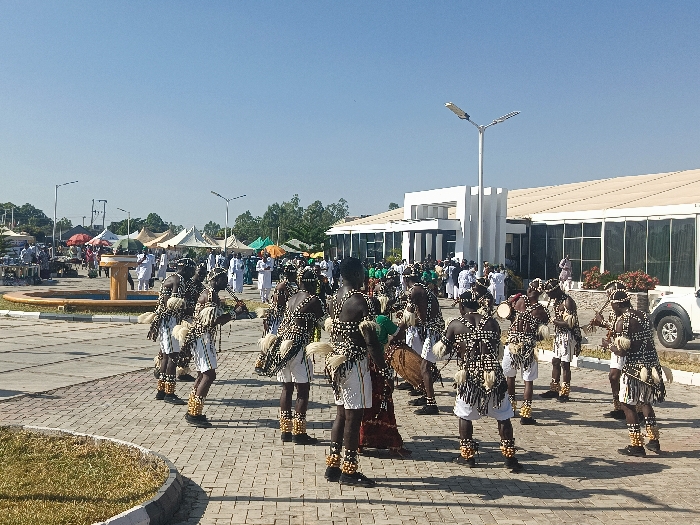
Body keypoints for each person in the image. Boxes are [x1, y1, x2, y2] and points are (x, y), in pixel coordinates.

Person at [313, 257, 391, 487]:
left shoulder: (333, 298)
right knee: (353, 416)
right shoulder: (361, 301)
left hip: (336, 363)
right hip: (354, 363)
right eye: (363, 272)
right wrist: (384, 370)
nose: (365, 276)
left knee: (341, 414)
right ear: (357, 274)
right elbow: (371, 341)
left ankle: (333, 466)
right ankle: (349, 470)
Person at [434, 286, 523, 472]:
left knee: (465, 415)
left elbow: (442, 350)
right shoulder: (492, 323)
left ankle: (467, 456)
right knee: (503, 416)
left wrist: (459, 346)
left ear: (462, 306)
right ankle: (509, 457)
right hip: (494, 377)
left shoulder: (455, 324)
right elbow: (496, 349)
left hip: (470, 377)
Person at [259, 266, 328, 444]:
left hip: (282, 347)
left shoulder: (292, 299)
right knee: (303, 390)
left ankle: (285, 431)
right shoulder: (314, 300)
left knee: (286, 388)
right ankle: (299, 432)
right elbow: (325, 324)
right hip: (298, 348)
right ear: (313, 283)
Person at [603, 289, 665, 456]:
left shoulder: (623, 321)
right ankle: (654, 441)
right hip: (650, 366)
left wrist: (608, 346)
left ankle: (636, 445)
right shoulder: (644, 316)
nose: (611, 308)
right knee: (645, 402)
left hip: (633, 369)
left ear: (618, 304)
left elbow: (622, 352)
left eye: (612, 304)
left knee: (627, 405)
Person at [180, 267, 234, 428]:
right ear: (215, 280)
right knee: (209, 375)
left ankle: (193, 409)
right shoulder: (210, 295)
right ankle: (194, 414)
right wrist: (235, 313)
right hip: (202, 338)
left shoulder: (210, 293)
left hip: (201, 338)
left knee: (202, 374)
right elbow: (213, 321)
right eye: (223, 279)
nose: (226, 282)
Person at [140, 257, 198, 404]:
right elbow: (172, 303)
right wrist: (191, 310)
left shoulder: (176, 278)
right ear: (185, 269)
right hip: (169, 322)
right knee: (173, 356)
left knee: (167, 356)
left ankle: (161, 390)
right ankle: (169, 393)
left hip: (166, 322)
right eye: (192, 270)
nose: (193, 274)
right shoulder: (178, 280)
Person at [358, 308, 411, 457]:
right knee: (384, 404)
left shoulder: (355, 321)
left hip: (360, 367)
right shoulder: (381, 319)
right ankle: (393, 444)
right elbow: (398, 335)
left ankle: (359, 442)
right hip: (377, 366)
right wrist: (404, 323)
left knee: (362, 406)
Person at [502, 278, 550, 425]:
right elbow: (542, 332)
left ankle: (510, 408)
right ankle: (526, 414)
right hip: (528, 348)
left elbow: (506, 313)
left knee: (510, 377)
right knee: (528, 380)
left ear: (530, 289)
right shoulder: (541, 310)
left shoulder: (518, 301)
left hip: (512, 345)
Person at [401, 265, 445, 415]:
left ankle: (431, 404)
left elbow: (408, 318)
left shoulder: (415, 290)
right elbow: (421, 316)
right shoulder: (422, 288)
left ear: (405, 279)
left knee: (425, 367)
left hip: (433, 332)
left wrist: (394, 334)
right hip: (430, 330)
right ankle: (426, 395)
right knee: (423, 364)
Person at [592, 280, 629, 419]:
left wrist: (602, 321)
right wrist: (601, 323)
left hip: (625, 348)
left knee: (624, 378)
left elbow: (621, 327)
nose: (608, 298)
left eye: (610, 294)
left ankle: (633, 409)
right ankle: (618, 406)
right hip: (615, 347)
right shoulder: (613, 312)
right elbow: (613, 327)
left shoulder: (626, 311)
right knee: (613, 377)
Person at [541, 279, 582, 402]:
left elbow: (570, 324)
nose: (549, 296)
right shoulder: (557, 300)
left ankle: (565, 392)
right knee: (555, 361)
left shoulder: (568, 301)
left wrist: (552, 320)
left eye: (550, 293)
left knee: (565, 364)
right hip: (559, 335)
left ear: (556, 291)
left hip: (568, 336)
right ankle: (554, 389)